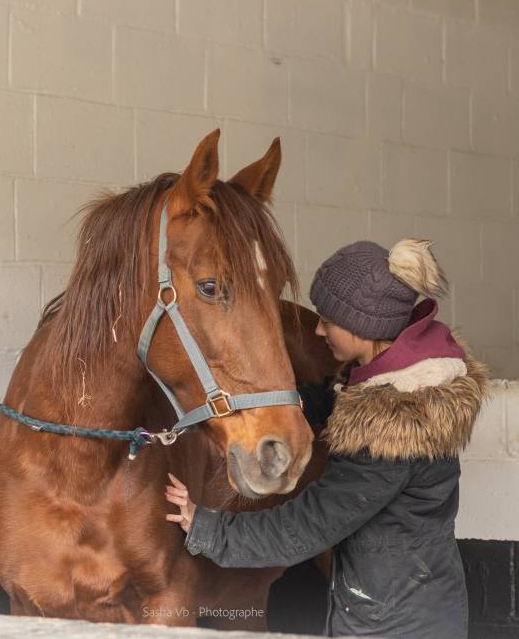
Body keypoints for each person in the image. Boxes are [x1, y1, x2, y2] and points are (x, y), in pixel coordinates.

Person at [165, 239, 489, 638]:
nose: (318, 329)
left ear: (363, 326)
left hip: (393, 628)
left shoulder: (391, 434)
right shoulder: (386, 385)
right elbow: (332, 400)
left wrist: (207, 529)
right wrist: (267, 407)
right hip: (397, 605)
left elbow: (308, 526)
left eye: (328, 320)